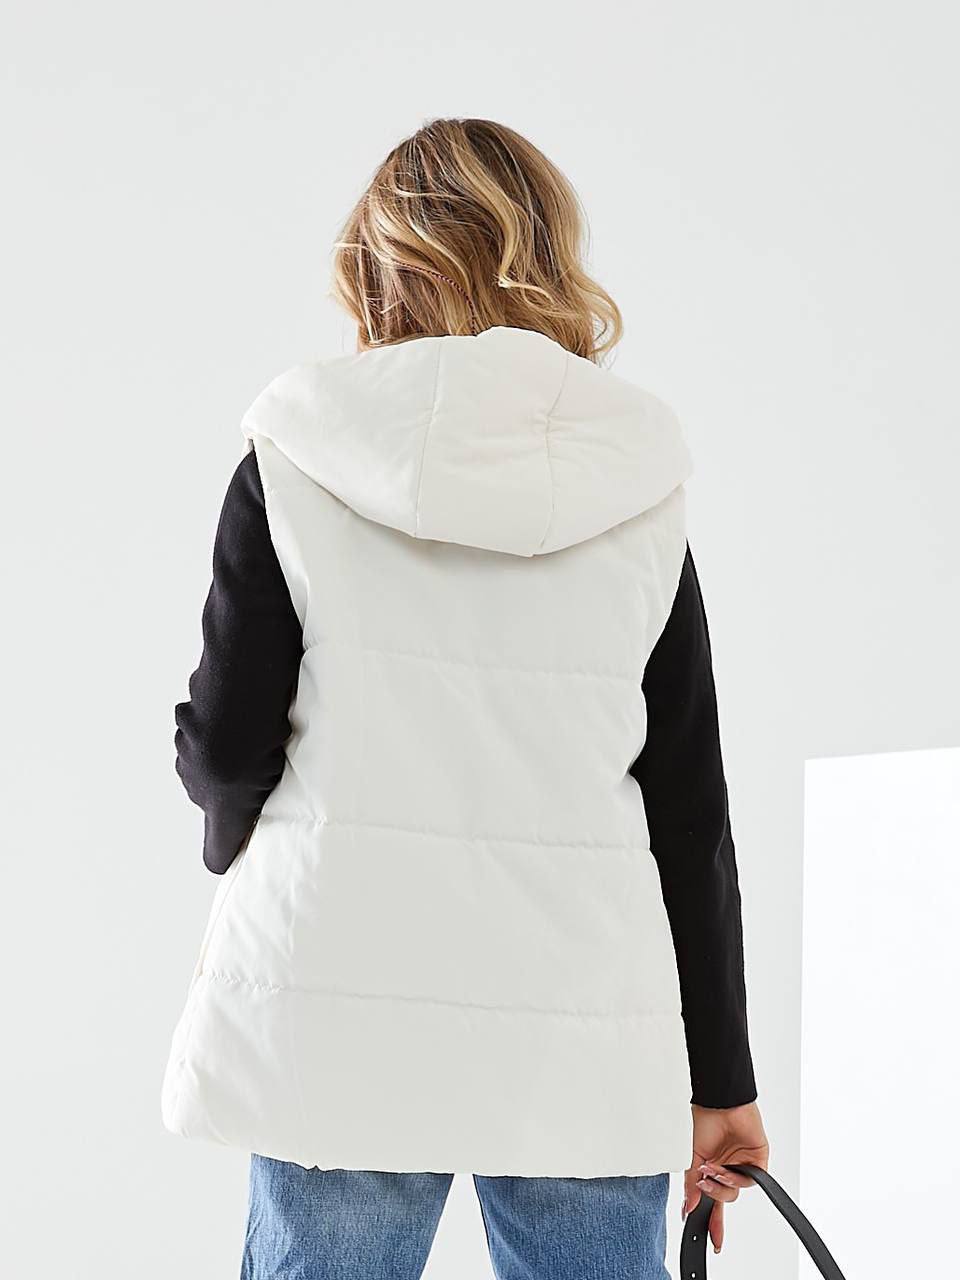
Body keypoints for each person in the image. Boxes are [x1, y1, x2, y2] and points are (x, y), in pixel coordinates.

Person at [161, 117, 769, 1280]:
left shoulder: (299, 452)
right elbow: (689, 811)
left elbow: (229, 747)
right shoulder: (636, 479)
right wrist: (724, 1082)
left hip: (341, 997)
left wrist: (239, 841)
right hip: (581, 1020)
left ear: (378, 263)